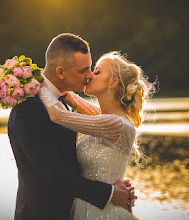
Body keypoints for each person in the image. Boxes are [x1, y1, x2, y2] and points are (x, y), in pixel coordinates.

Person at [7, 33, 136, 220]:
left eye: (93, 69)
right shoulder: (30, 107)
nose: (89, 75)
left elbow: (71, 163)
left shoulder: (61, 103)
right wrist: (108, 191)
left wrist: (113, 182)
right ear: (60, 72)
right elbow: (53, 173)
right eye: (84, 70)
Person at [38, 51, 155, 219]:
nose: (90, 76)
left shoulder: (117, 125)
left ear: (113, 82)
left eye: (97, 72)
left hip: (103, 212)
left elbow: (58, 115)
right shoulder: (105, 119)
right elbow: (71, 98)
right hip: (85, 206)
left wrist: (38, 84)